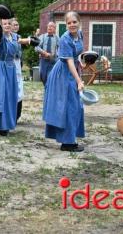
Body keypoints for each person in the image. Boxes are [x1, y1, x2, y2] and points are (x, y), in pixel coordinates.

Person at [43, 11, 85, 152]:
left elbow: (76, 56)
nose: (72, 25)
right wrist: (79, 81)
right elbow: (69, 62)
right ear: (66, 25)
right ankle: (67, 143)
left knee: (75, 107)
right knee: (68, 107)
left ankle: (70, 138)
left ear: (79, 22)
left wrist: (82, 62)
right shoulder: (65, 39)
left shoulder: (80, 35)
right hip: (62, 75)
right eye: (69, 23)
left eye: (74, 22)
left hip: (72, 71)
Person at [0, 18, 20, 135]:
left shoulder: (15, 37)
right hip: (2, 67)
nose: (7, 25)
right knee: (2, 95)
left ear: (12, 25)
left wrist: (30, 40)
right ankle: (1, 126)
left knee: (11, 96)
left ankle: (9, 123)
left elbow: (19, 47)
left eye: (9, 24)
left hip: (12, 68)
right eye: (4, 24)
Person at [11, 18, 30, 122]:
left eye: (17, 25)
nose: (16, 26)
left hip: (18, 63)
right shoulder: (9, 37)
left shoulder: (18, 37)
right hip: (10, 63)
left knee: (19, 88)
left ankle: (17, 114)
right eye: (14, 25)